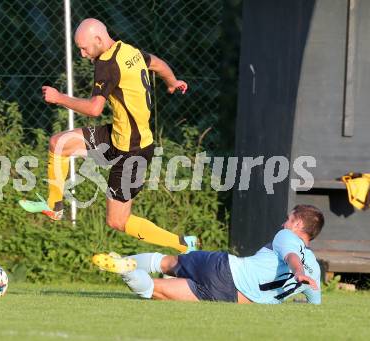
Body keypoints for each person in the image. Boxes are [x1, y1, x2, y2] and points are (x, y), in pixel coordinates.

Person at [19, 18, 199, 253]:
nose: (82, 54)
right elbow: (156, 63)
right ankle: (55, 206)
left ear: (98, 39)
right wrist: (172, 81)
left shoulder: (107, 63)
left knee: (117, 221)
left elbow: (95, 109)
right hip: (117, 136)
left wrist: (59, 98)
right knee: (59, 143)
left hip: (133, 152)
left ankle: (184, 245)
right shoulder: (129, 51)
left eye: (84, 48)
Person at [93, 204, 324, 304]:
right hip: (228, 295)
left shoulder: (287, 237)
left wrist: (298, 271)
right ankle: (128, 274)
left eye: (289, 219)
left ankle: (125, 264)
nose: (284, 223)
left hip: (221, 267)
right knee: (153, 290)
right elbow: (314, 300)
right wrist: (301, 280)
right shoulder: (315, 270)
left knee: (166, 262)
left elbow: (291, 256)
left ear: (299, 223)